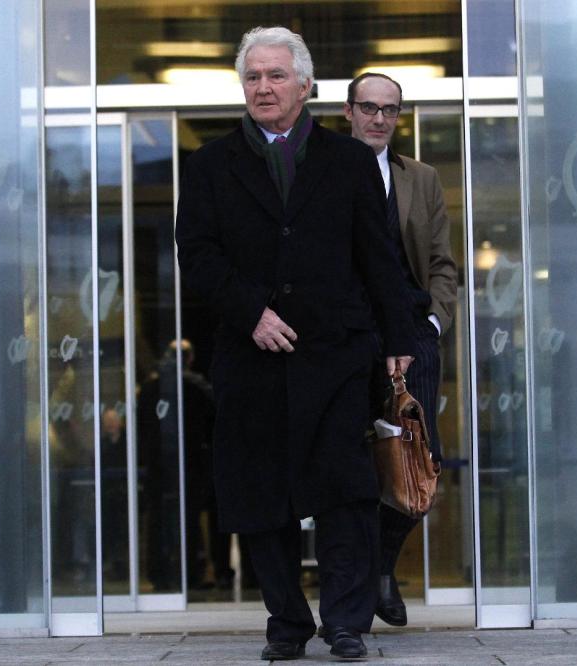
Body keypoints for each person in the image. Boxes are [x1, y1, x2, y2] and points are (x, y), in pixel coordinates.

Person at [175, 26, 416, 661]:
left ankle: (344, 623)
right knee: (258, 498)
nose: (263, 86)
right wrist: (250, 310)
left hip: (335, 355)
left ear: (305, 86)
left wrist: (398, 336)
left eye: (276, 75)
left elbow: (380, 258)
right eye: (252, 76)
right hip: (249, 359)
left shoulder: (350, 163)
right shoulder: (207, 165)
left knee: (344, 493)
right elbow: (195, 256)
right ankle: (287, 623)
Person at [345, 72, 459, 627]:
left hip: (412, 338)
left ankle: (383, 567)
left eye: (390, 109)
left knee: (419, 460)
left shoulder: (422, 178)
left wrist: (434, 323)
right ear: (348, 111)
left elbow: (441, 261)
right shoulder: (326, 171)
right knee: (358, 462)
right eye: (368, 107)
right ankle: (365, 584)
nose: (379, 118)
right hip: (349, 336)